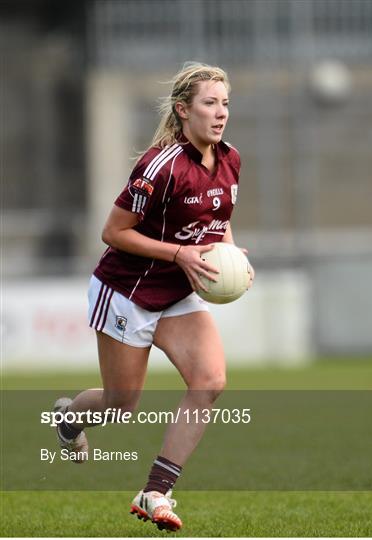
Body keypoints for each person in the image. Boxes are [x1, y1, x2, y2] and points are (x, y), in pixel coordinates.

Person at [54, 62, 250, 532]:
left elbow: (217, 220)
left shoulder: (230, 159)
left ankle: (156, 491)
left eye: (224, 103)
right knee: (122, 404)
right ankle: (67, 421)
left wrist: (230, 257)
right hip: (127, 292)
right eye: (209, 103)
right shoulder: (160, 166)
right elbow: (113, 232)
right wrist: (180, 253)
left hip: (178, 293)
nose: (220, 113)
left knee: (210, 380)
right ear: (184, 111)